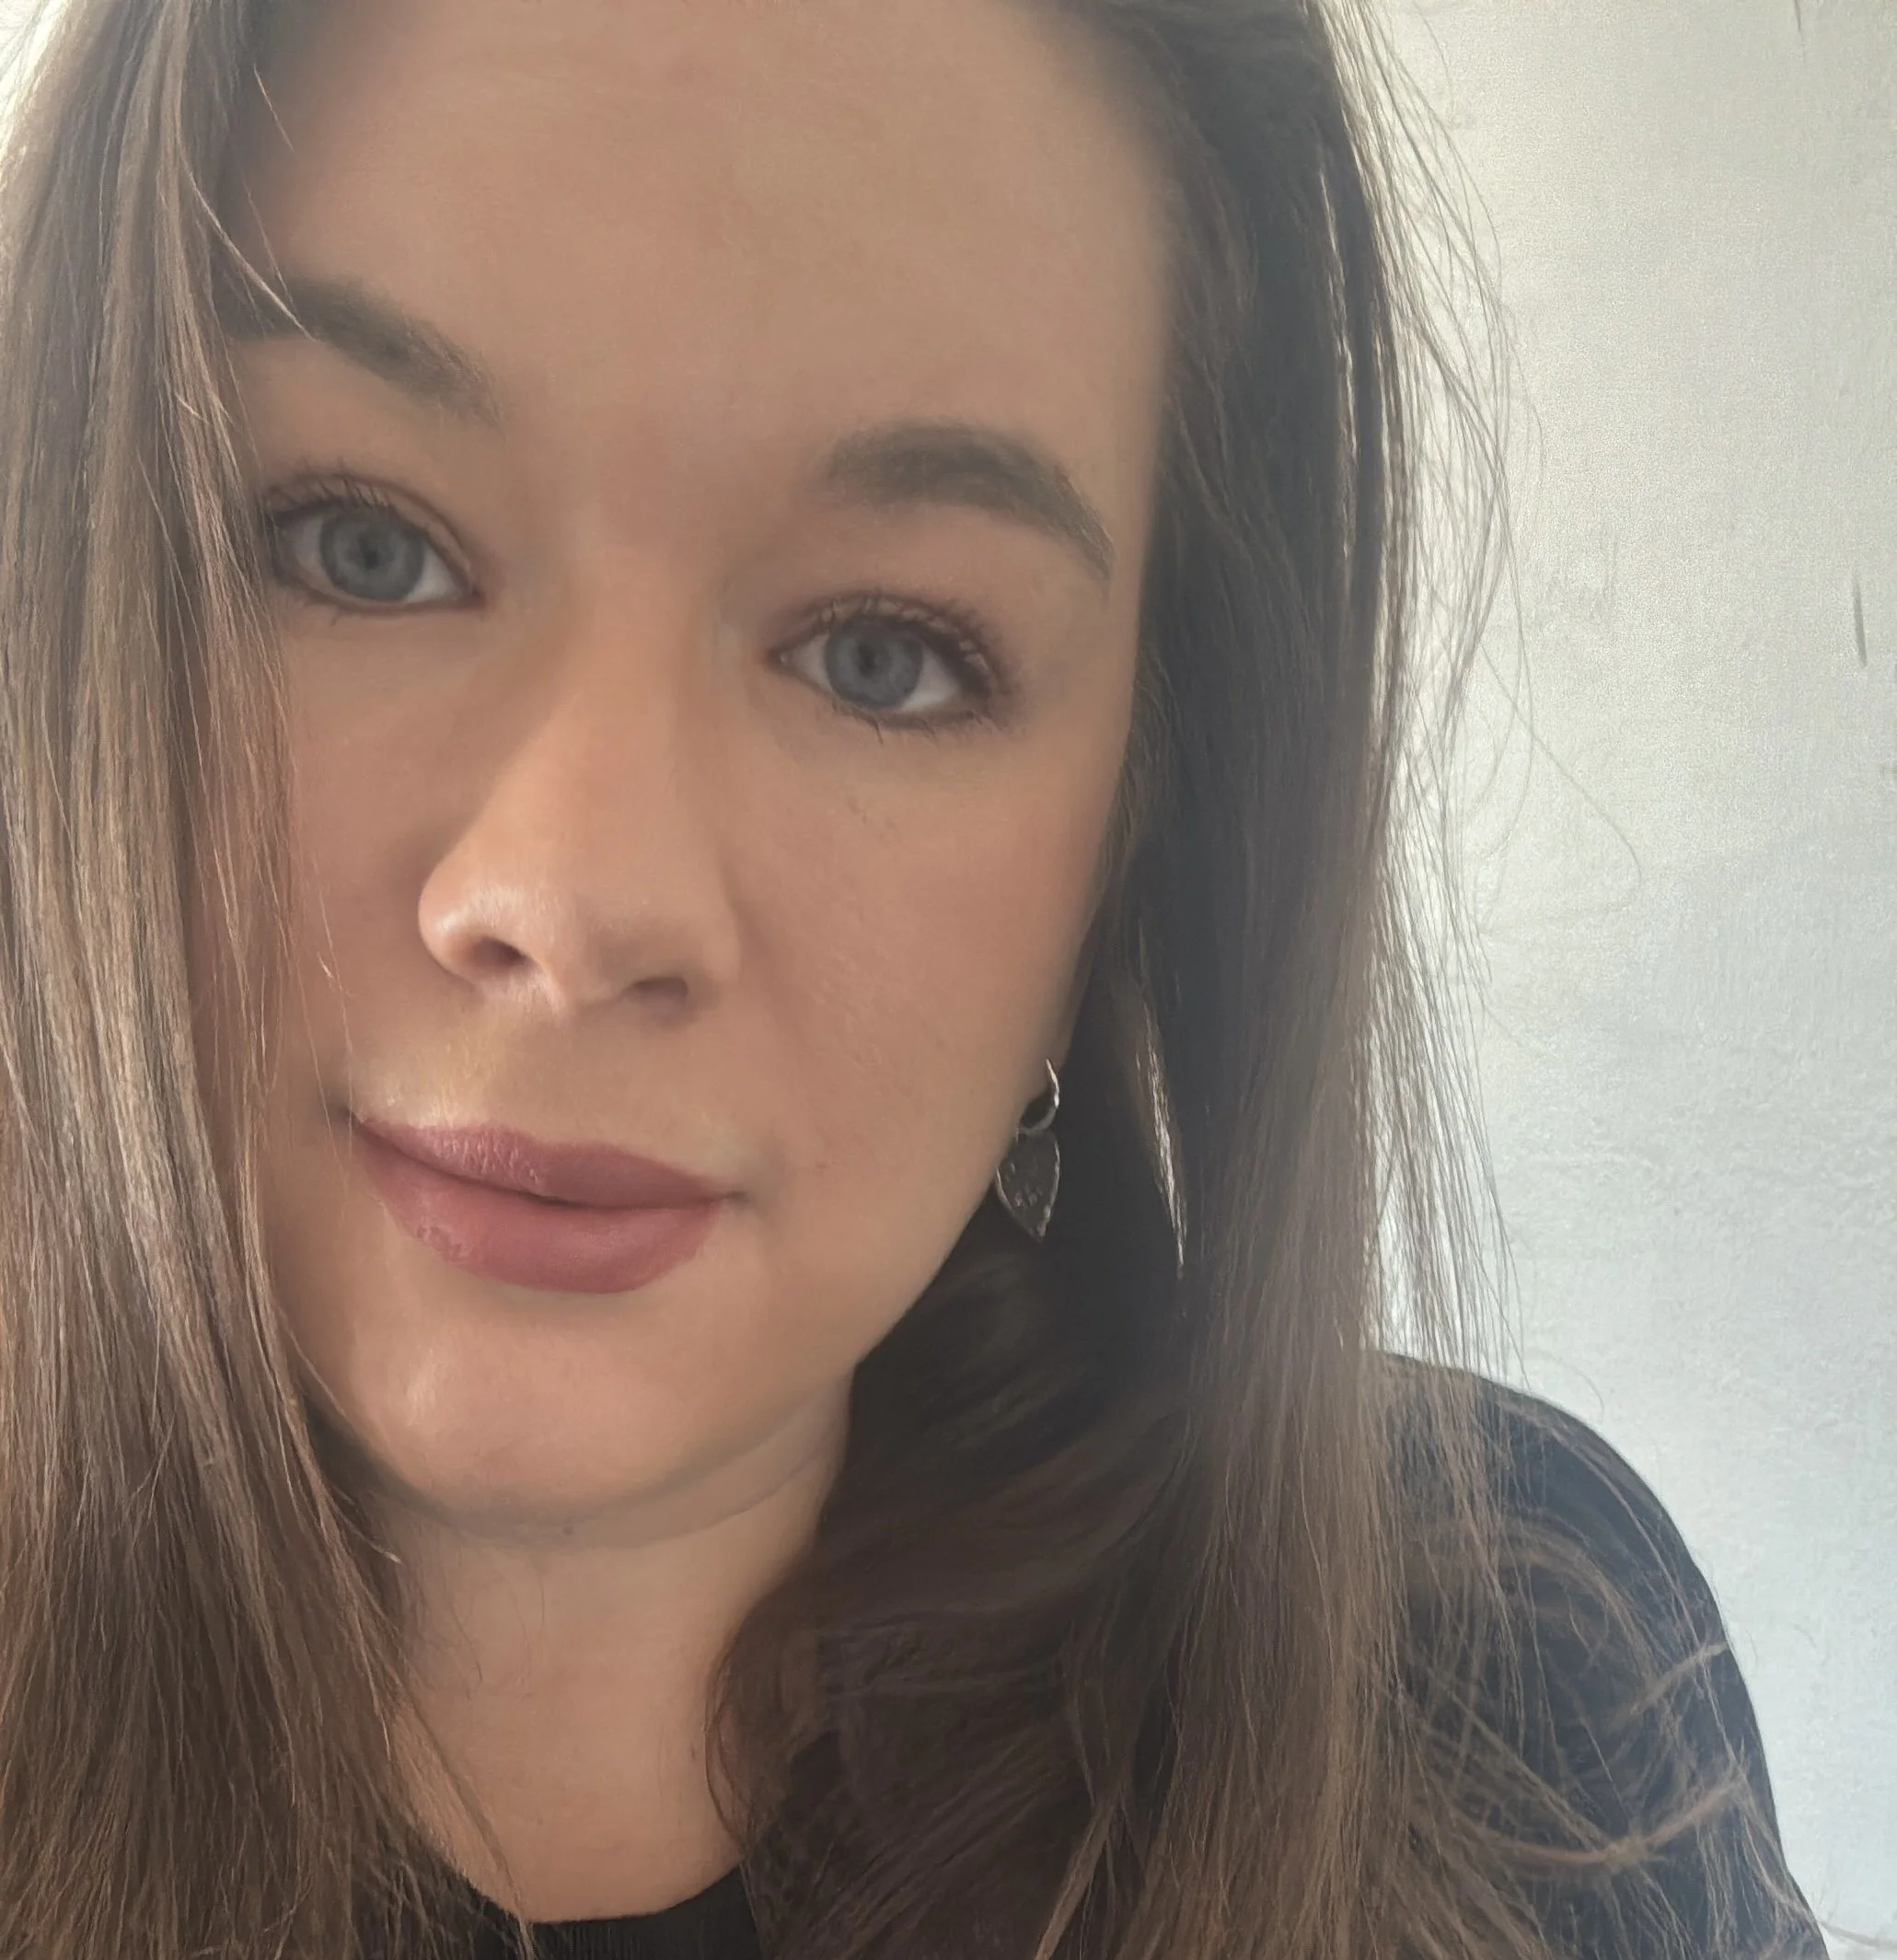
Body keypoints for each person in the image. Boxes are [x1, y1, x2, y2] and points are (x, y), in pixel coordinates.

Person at [0, 0, 1832, 1956]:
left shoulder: (1503, 1683)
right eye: (358, 544)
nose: (575, 897)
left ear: (1137, 826)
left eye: (886, 653)